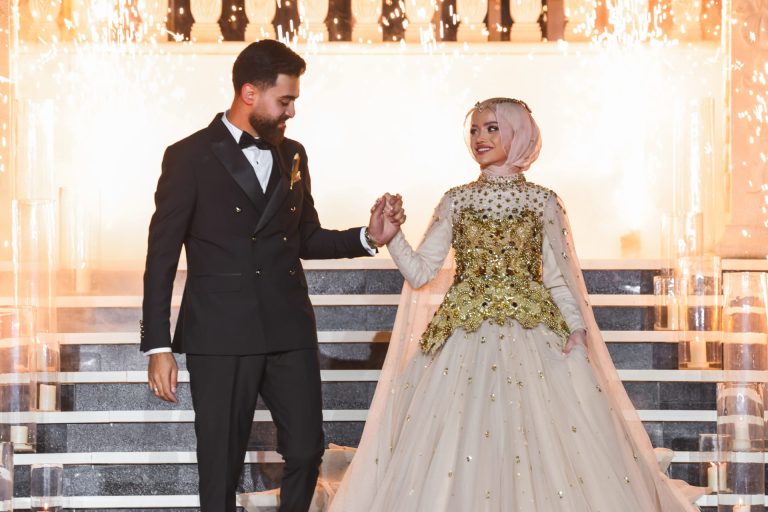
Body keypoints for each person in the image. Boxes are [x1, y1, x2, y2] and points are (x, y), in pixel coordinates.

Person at [329, 98, 702, 511]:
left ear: (519, 132)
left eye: (492, 128)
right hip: (462, 340)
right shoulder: (456, 200)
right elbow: (420, 273)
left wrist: (577, 329)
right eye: (475, 130)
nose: (480, 138)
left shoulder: (543, 201)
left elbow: (559, 277)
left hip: (532, 336)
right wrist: (392, 238)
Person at [140, 40, 405, 512]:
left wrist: (368, 236)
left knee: (306, 450)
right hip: (220, 333)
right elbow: (161, 256)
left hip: (288, 327)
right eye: (285, 100)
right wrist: (158, 346)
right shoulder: (188, 156)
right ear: (249, 93)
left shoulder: (293, 154)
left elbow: (305, 237)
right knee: (219, 465)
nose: (292, 112)